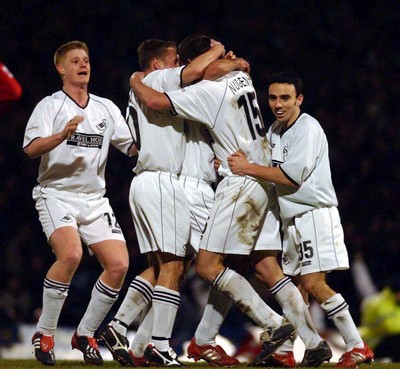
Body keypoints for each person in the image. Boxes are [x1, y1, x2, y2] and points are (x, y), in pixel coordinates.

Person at [129, 34, 299, 367]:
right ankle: (284, 346)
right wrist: (230, 60)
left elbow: (159, 101)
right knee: (258, 267)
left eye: (183, 62)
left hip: (239, 181)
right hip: (260, 175)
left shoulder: (207, 90)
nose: (181, 69)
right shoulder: (241, 77)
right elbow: (208, 73)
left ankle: (275, 326)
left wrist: (136, 81)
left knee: (199, 266)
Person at [227, 71, 375, 368]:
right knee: (299, 289)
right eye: (272, 98)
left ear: (299, 99)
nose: (278, 104)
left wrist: (247, 168)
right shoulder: (276, 130)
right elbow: (262, 162)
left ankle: (357, 346)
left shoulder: (308, 128)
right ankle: (296, 349)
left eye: (285, 98)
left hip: (314, 215)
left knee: (313, 282)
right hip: (292, 220)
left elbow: (290, 178)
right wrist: (231, 164)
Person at [97, 38, 229, 367]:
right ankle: (159, 344)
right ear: (157, 64)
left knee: (166, 266)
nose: (179, 64)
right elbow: (197, 71)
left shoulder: (145, 83)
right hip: (161, 180)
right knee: (172, 266)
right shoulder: (156, 79)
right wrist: (219, 51)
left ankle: (117, 326)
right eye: (174, 60)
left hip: (152, 180)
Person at [23, 40, 137, 366]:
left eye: (85, 60)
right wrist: (61, 135)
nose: (82, 65)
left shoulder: (105, 108)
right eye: (74, 61)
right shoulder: (50, 106)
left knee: (118, 265)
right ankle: (45, 333)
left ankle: (85, 333)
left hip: (94, 200)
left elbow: (131, 148)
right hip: (56, 194)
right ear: (61, 68)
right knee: (71, 254)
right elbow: (30, 149)